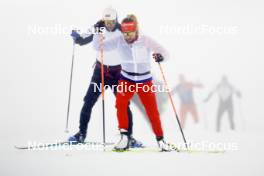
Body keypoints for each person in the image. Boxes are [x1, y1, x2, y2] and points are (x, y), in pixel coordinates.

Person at [93, 15, 173, 151]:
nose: (127, 37)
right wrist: (97, 31)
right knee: (120, 104)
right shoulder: (119, 41)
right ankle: (124, 137)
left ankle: (161, 140)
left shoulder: (146, 40)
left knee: (152, 111)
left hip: (145, 81)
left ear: (136, 31)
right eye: (124, 33)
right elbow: (98, 46)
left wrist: (161, 57)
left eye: (130, 33)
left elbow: (165, 53)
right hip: (126, 79)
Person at [68, 7, 143, 147]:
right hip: (100, 72)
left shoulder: (122, 30)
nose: (109, 24)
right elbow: (83, 40)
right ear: (104, 19)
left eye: (112, 21)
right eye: (106, 21)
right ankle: (81, 134)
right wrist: (77, 38)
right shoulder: (97, 28)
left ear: (116, 19)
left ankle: (129, 138)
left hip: (118, 74)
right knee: (88, 101)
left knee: (123, 105)